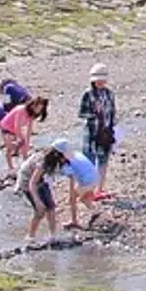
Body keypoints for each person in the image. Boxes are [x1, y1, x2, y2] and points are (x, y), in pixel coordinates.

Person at [79, 64, 117, 198]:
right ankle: (87, 190)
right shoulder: (87, 94)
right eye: (97, 80)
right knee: (88, 161)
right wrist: (95, 113)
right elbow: (82, 113)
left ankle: (99, 189)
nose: (99, 83)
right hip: (91, 133)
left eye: (101, 80)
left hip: (105, 132)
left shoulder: (109, 94)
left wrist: (112, 128)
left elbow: (112, 112)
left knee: (103, 161)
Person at [49, 137, 103, 229]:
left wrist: (72, 194)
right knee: (84, 198)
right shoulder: (76, 154)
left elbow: (72, 179)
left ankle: (74, 221)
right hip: (95, 177)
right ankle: (95, 211)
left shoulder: (68, 163)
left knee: (73, 199)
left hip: (88, 181)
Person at [17, 145, 67, 240]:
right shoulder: (42, 163)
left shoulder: (51, 160)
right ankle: (30, 236)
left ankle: (53, 235)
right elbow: (32, 183)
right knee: (40, 211)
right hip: (27, 182)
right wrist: (38, 201)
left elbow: (48, 179)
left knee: (51, 207)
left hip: (40, 180)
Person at [0, 96, 49, 172]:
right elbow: (17, 125)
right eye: (37, 108)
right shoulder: (21, 110)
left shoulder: (31, 113)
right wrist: (20, 138)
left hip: (14, 129)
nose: (38, 111)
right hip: (6, 128)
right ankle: (10, 167)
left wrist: (27, 142)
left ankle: (25, 166)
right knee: (10, 148)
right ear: (33, 105)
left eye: (40, 109)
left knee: (24, 148)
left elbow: (29, 128)